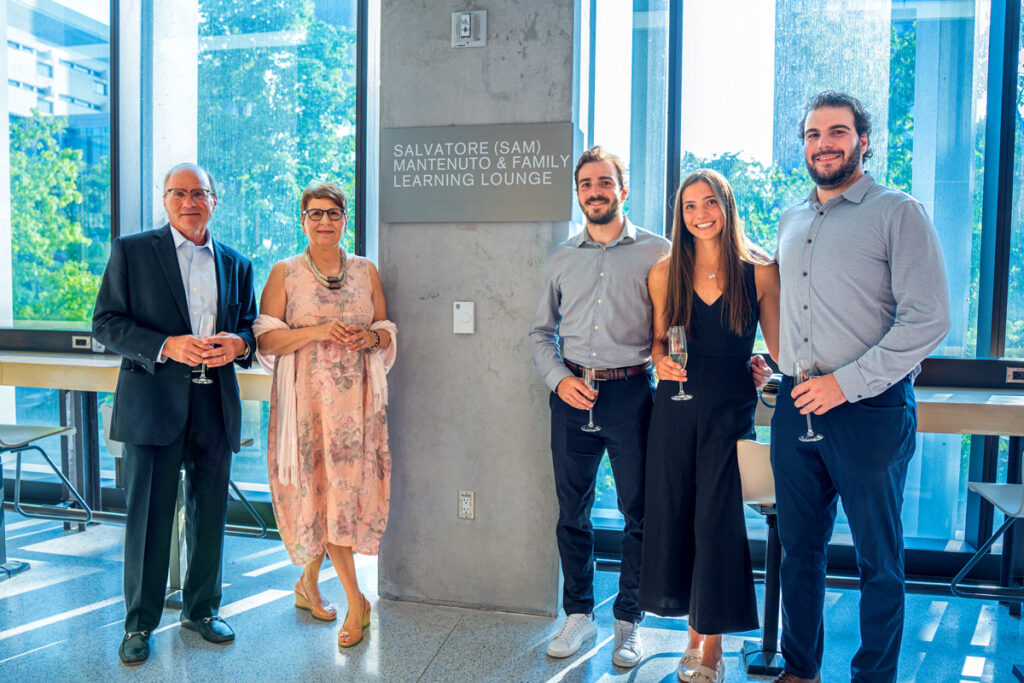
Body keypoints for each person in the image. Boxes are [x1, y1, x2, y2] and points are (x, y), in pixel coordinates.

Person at [770, 91, 950, 683]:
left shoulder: (899, 212)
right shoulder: (792, 218)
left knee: (879, 560)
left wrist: (844, 386)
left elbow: (928, 318)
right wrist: (778, 367)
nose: (825, 143)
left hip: (870, 410)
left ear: (863, 140)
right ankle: (801, 669)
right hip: (797, 409)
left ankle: (873, 677)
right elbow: (801, 315)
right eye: (814, 134)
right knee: (800, 552)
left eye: (838, 132)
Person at [93, 163, 257, 665]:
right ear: (164, 200)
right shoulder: (132, 251)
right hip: (152, 406)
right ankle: (139, 625)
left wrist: (239, 342)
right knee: (148, 518)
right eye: (178, 193)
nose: (190, 201)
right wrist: (166, 345)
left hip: (214, 403)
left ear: (215, 200)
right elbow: (105, 323)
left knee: (210, 515)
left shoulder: (236, 262)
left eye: (199, 193)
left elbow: (251, 328)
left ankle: (201, 610)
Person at [528, 146, 670, 668]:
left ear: (622, 189)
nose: (595, 192)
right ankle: (579, 615)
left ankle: (629, 621)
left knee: (639, 512)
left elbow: (674, 326)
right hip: (570, 395)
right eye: (586, 184)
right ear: (579, 192)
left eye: (604, 182)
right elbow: (540, 333)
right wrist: (560, 380)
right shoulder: (563, 257)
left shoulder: (659, 252)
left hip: (632, 394)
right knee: (573, 513)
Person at [639, 169, 779, 683]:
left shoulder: (760, 273)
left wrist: (769, 369)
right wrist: (661, 362)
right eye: (690, 206)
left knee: (718, 524)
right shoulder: (662, 273)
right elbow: (658, 342)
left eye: (710, 203)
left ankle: (711, 645)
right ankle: (690, 637)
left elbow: (781, 349)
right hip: (674, 408)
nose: (700, 214)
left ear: (727, 205)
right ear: (680, 214)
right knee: (677, 516)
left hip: (729, 411)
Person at [254, 182, 395, 650]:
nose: (324, 222)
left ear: (345, 218)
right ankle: (358, 603)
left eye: (332, 213)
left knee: (337, 496)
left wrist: (369, 340)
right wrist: (317, 331)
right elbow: (267, 341)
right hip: (307, 406)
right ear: (302, 219)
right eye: (314, 214)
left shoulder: (365, 270)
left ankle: (307, 585)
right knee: (322, 493)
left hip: (355, 406)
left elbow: (385, 328)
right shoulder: (286, 273)